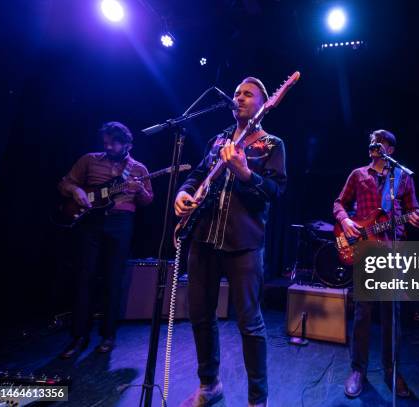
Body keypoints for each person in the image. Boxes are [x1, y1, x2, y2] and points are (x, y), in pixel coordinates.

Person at [176, 77, 286, 407]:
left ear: (264, 103)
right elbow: (197, 175)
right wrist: (183, 192)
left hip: (244, 245)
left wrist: (246, 173)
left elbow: (276, 191)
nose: (238, 97)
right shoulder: (219, 139)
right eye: (236, 93)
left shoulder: (272, 145)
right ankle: (210, 385)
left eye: (247, 94)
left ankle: (257, 400)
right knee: (200, 315)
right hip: (204, 238)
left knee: (250, 324)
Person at [333, 129, 419, 398]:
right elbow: (339, 204)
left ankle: (391, 370)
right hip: (364, 249)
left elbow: (415, 210)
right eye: (371, 141)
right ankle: (358, 370)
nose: (373, 145)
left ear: (390, 149)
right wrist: (345, 221)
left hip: (393, 251)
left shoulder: (403, 177)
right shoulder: (358, 174)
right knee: (363, 313)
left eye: (380, 142)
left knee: (392, 315)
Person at [58, 121, 153, 358]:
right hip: (91, 222)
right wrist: (76, 191)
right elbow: (65, 182)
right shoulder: (89, 160)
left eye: (113, 142)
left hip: (121, 223)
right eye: (106, 141)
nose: (108, 146)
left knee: (114, 279)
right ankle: (79, 336)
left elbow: (148, 200)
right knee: (85, 277)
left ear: (127, 144)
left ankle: (108, 335)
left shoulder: (138, 169)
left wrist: (140, 191)